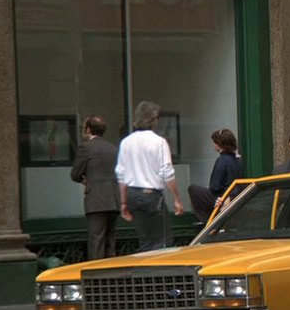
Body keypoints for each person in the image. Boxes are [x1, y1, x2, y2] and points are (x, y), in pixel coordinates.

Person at [115, 101, 184, 252]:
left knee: (145, 241)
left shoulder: (126, 142)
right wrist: (177, 199)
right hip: (151, 195)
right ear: (153, 120)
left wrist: (123, 202)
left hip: (133, 194)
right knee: (163, 242)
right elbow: (167, 172)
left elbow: (121, 175)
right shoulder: (158, 142)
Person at [70, 115, 120, 260]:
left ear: (88, 129)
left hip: (96, 199)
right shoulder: (113, 148)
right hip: (113, 197)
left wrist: (85, 179)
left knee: (96, 239)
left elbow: (75, 173)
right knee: (110, 239)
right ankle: (112, 272)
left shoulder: (86, 148)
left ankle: (97, 274)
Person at [188, 128, 244, 224]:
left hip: (224, 197)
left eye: (215, 142)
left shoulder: (222, 160)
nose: (213, 145)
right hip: (236, 196)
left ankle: (209, 222)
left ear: (219, 144)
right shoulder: (238, 161)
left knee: (193, 190)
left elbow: (215, 187)